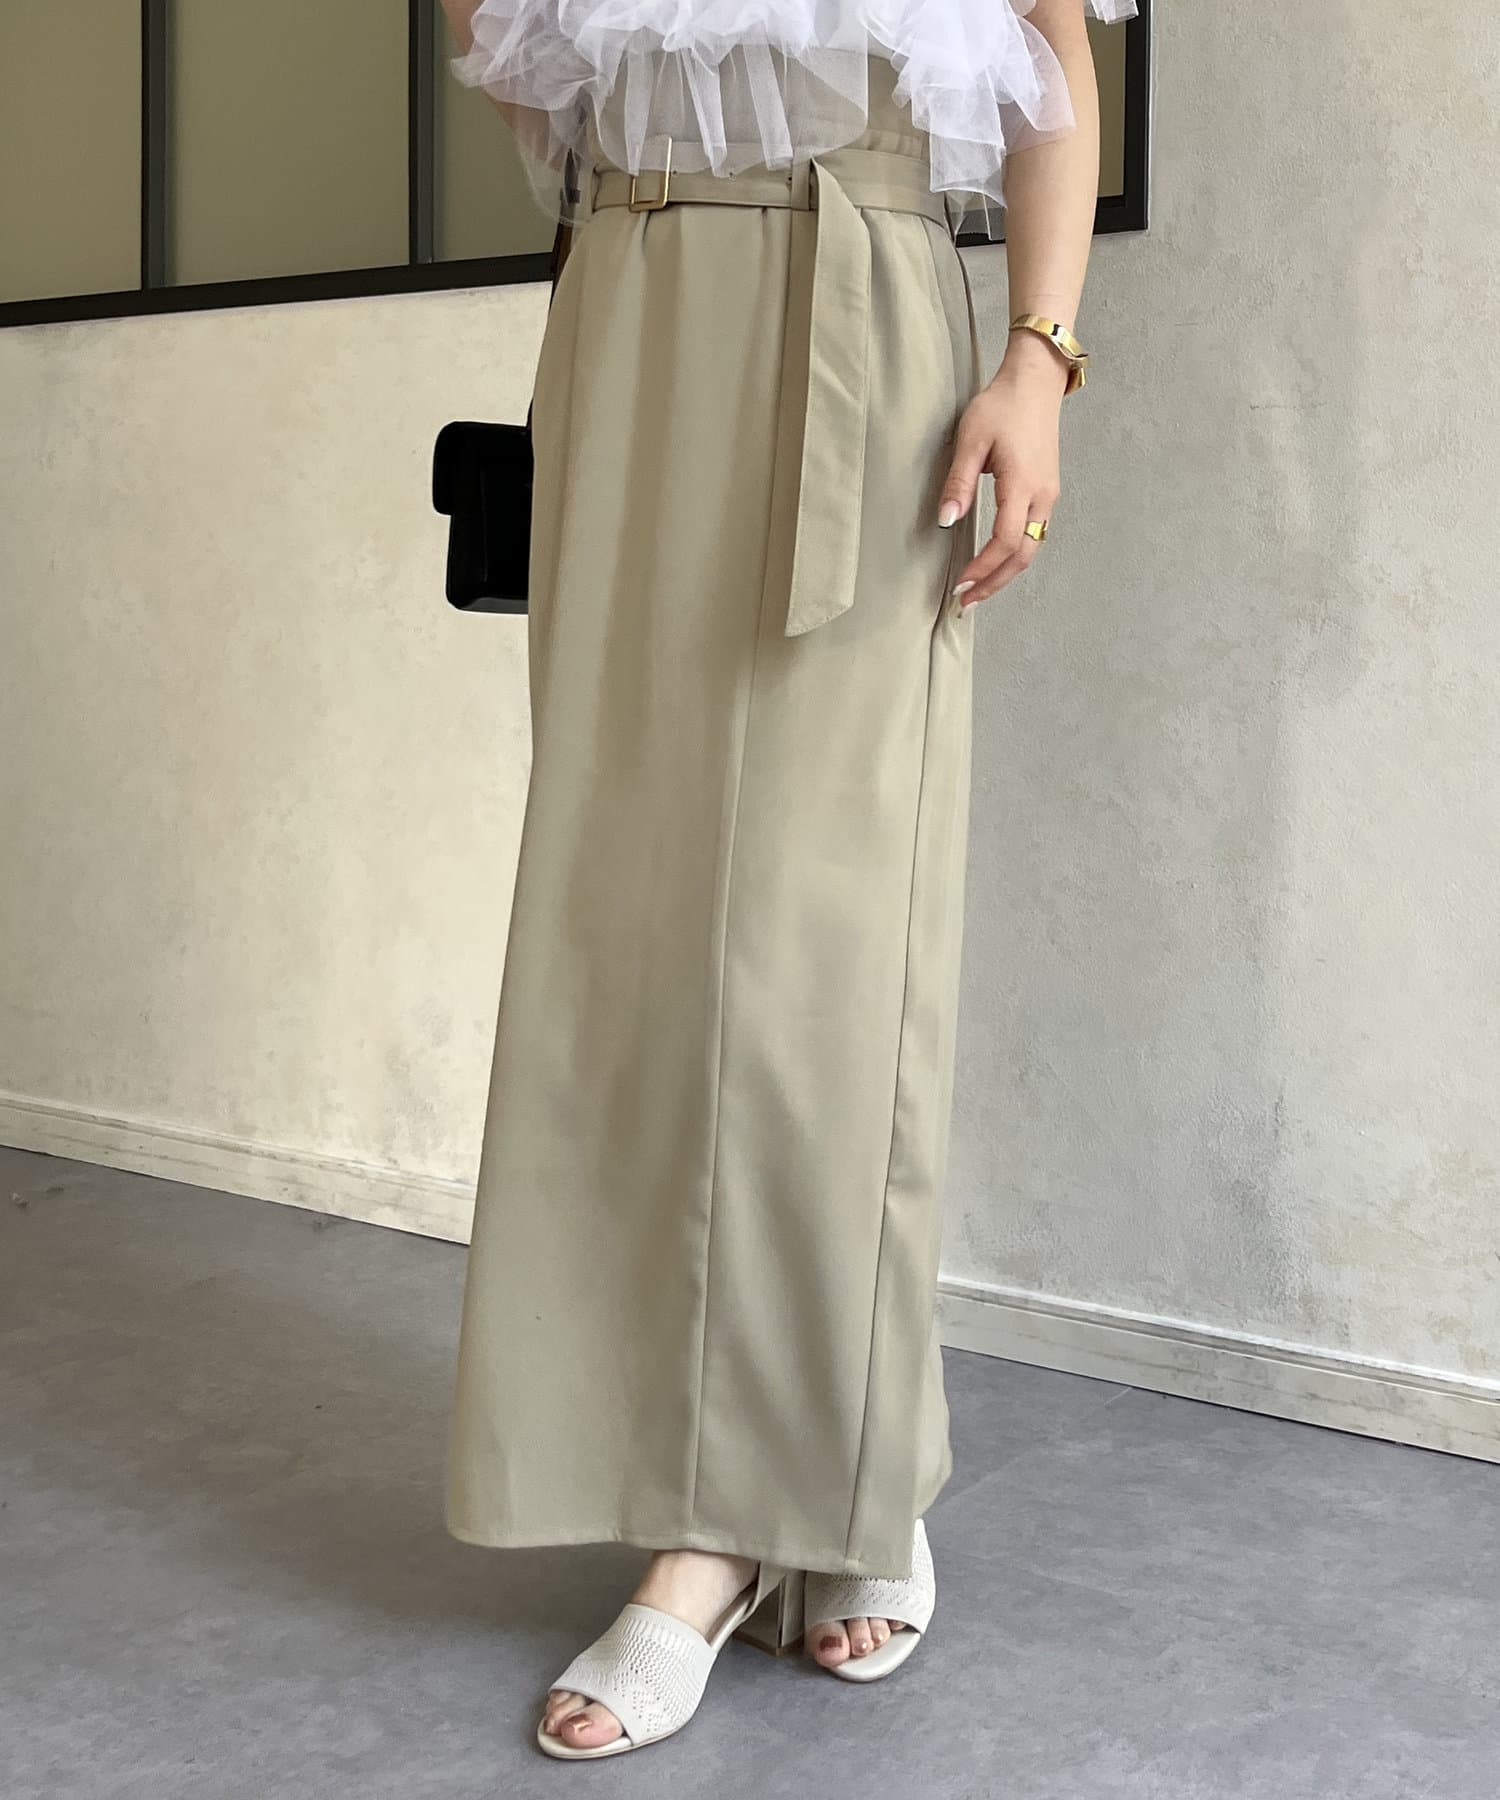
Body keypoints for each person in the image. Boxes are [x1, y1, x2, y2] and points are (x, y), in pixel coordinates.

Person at [437, 0, 1135, 1761]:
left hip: (860, 296)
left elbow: (1050, 47)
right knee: (629, 921)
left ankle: (741, 1523)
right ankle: (825, 1463)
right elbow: (519, 68)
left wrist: (1040, 362)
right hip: (628, 300)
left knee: (829, 931)